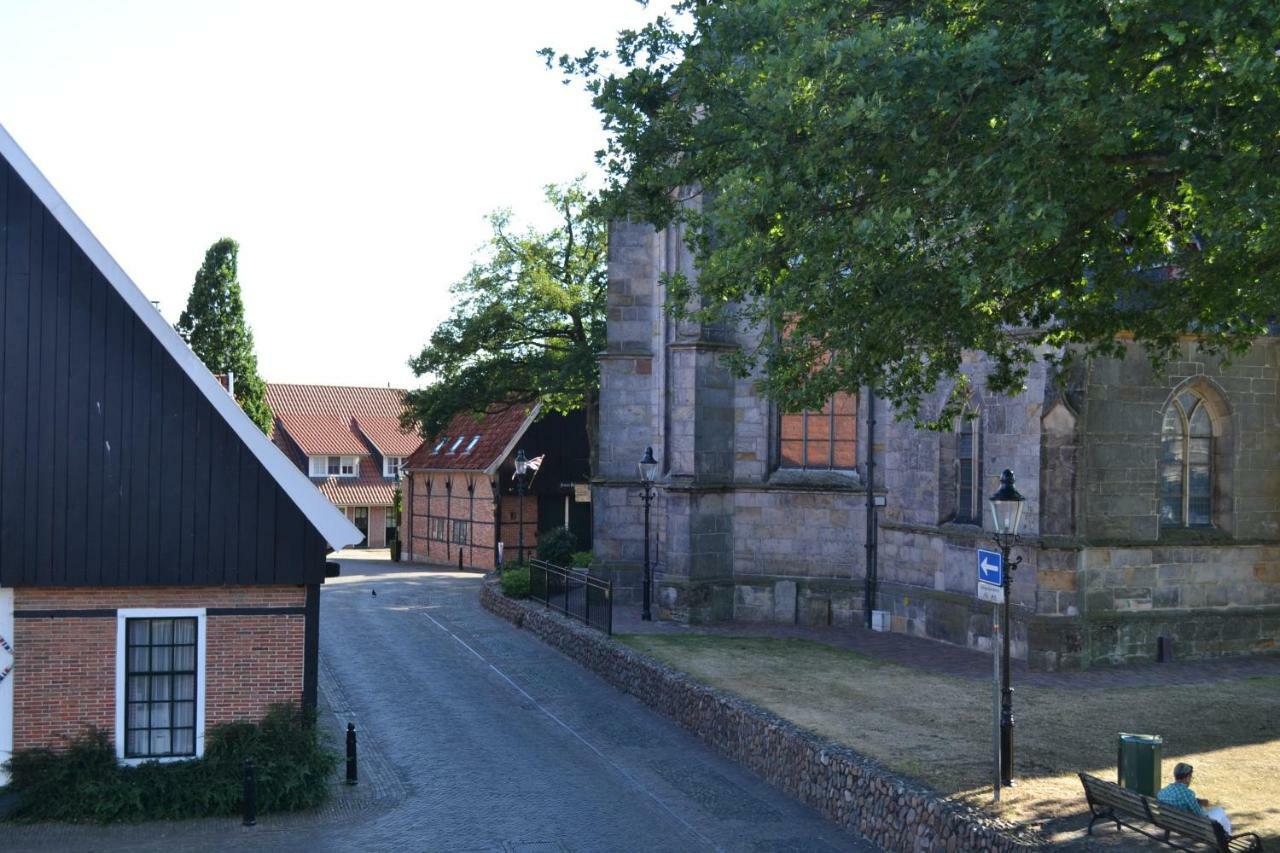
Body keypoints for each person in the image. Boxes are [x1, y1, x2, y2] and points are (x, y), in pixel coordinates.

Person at [1157, 762, 1232, 835]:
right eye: (1191, 777)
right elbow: (1200, 815)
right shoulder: (1188, 793)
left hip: (1169, 822)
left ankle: (1225, 837)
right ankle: (1226, 838)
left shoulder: (1162, 793)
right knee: (1220, 811)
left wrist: (1197, 802)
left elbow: (1178, 800)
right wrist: (1202, 807)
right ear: (1187, 777)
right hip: (1189, 827)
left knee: (1219, 815)